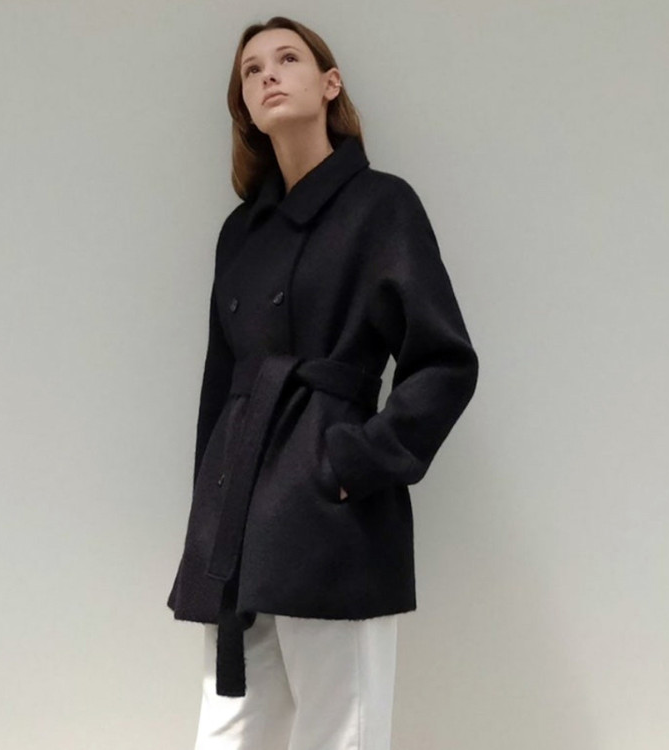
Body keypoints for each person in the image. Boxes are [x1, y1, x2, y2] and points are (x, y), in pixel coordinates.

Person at [167, 15, 480, 750]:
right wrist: (208, 513)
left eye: (287, 59)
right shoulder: (240, 233)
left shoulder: (381, 205)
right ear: (244, 106)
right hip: (239, 517)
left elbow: (445, 361)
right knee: (226, 732)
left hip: (332, 513)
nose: (268, 75)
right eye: (251, 71)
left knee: (341, 734)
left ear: (329, 83)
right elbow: (219, 386)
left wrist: (351, 463)